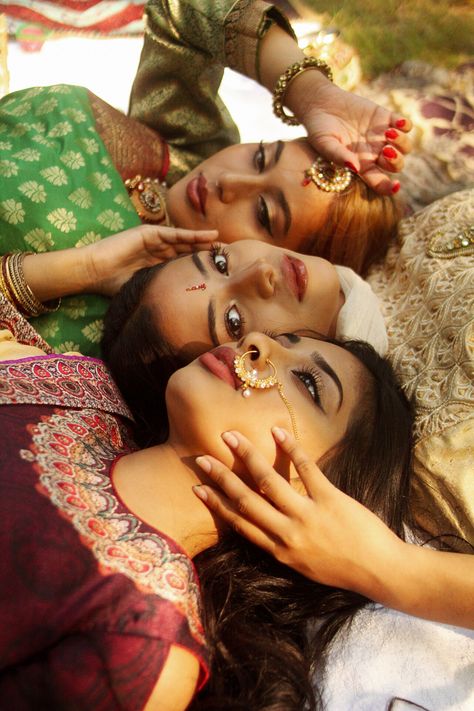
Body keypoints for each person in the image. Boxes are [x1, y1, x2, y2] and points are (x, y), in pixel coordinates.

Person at [0, 290, 414, 709]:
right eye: (278, 338)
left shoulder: (144, 636)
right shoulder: (83, 388)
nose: (257, 343)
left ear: (318, 498)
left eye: (308, 383)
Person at [0, 0, 412, 355]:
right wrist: (309, 93)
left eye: (264, 213)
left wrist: (79, 270)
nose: (229, 183)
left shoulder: (148, 326)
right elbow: (184, 12)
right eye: (260, 156)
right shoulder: (192, 148)